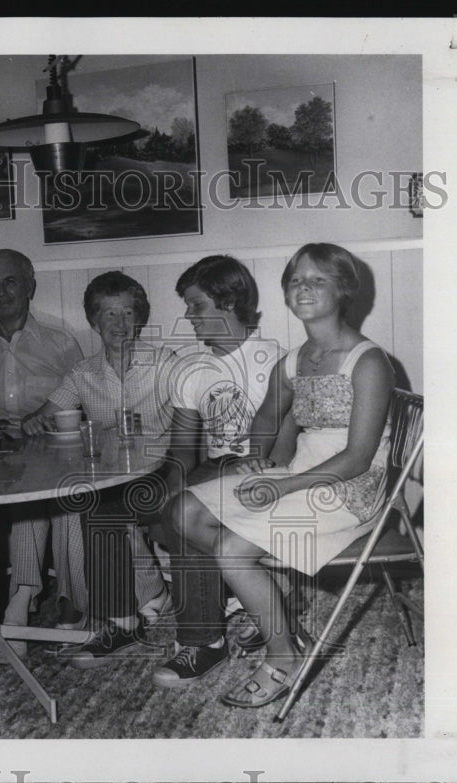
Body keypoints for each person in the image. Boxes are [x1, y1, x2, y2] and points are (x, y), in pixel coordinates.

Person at [179, 243, 395, 707]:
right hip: (296, 473)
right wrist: (260, 460)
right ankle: (274, 602)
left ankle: (282, 656)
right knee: (184, 511)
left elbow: (358, 458)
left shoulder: (369, 362)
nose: (304, 288)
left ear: (344, 290)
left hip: (349, 490)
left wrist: (283, 484)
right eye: (296, 280)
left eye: (318, 280)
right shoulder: (296, 360)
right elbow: (266, 419)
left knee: (231, 549)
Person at [21, 271, 175, 667]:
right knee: (80, 502)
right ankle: (125, 605)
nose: (119, 324)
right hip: (110, 476)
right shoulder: (82, 374)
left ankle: (119, 617)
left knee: (97, 505)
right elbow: (39, 418)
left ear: (139, 318)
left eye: (127, 313)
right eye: (108, 315)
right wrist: (35, 423)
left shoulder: (165, 365)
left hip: (160, 476)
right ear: (93, 321)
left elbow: (197, 424)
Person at [149, 255, 285, 687]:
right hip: (217, 470)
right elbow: (181, 451)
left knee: (188, 507)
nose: (188, 316)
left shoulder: (273, 360)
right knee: (165, 502)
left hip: (269, 471)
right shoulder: (190, 370)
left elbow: (290, 441)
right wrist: (171, 486)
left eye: (197, 306)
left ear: (229, 303)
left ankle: (203, 641)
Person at [0, 249, 83, 663]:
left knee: (31, 493)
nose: (0, 291)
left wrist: (39, 427)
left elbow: (83, 406)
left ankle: (19, 603)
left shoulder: (61, 344)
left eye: (10, 281)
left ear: (29, 286)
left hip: (46, 456)